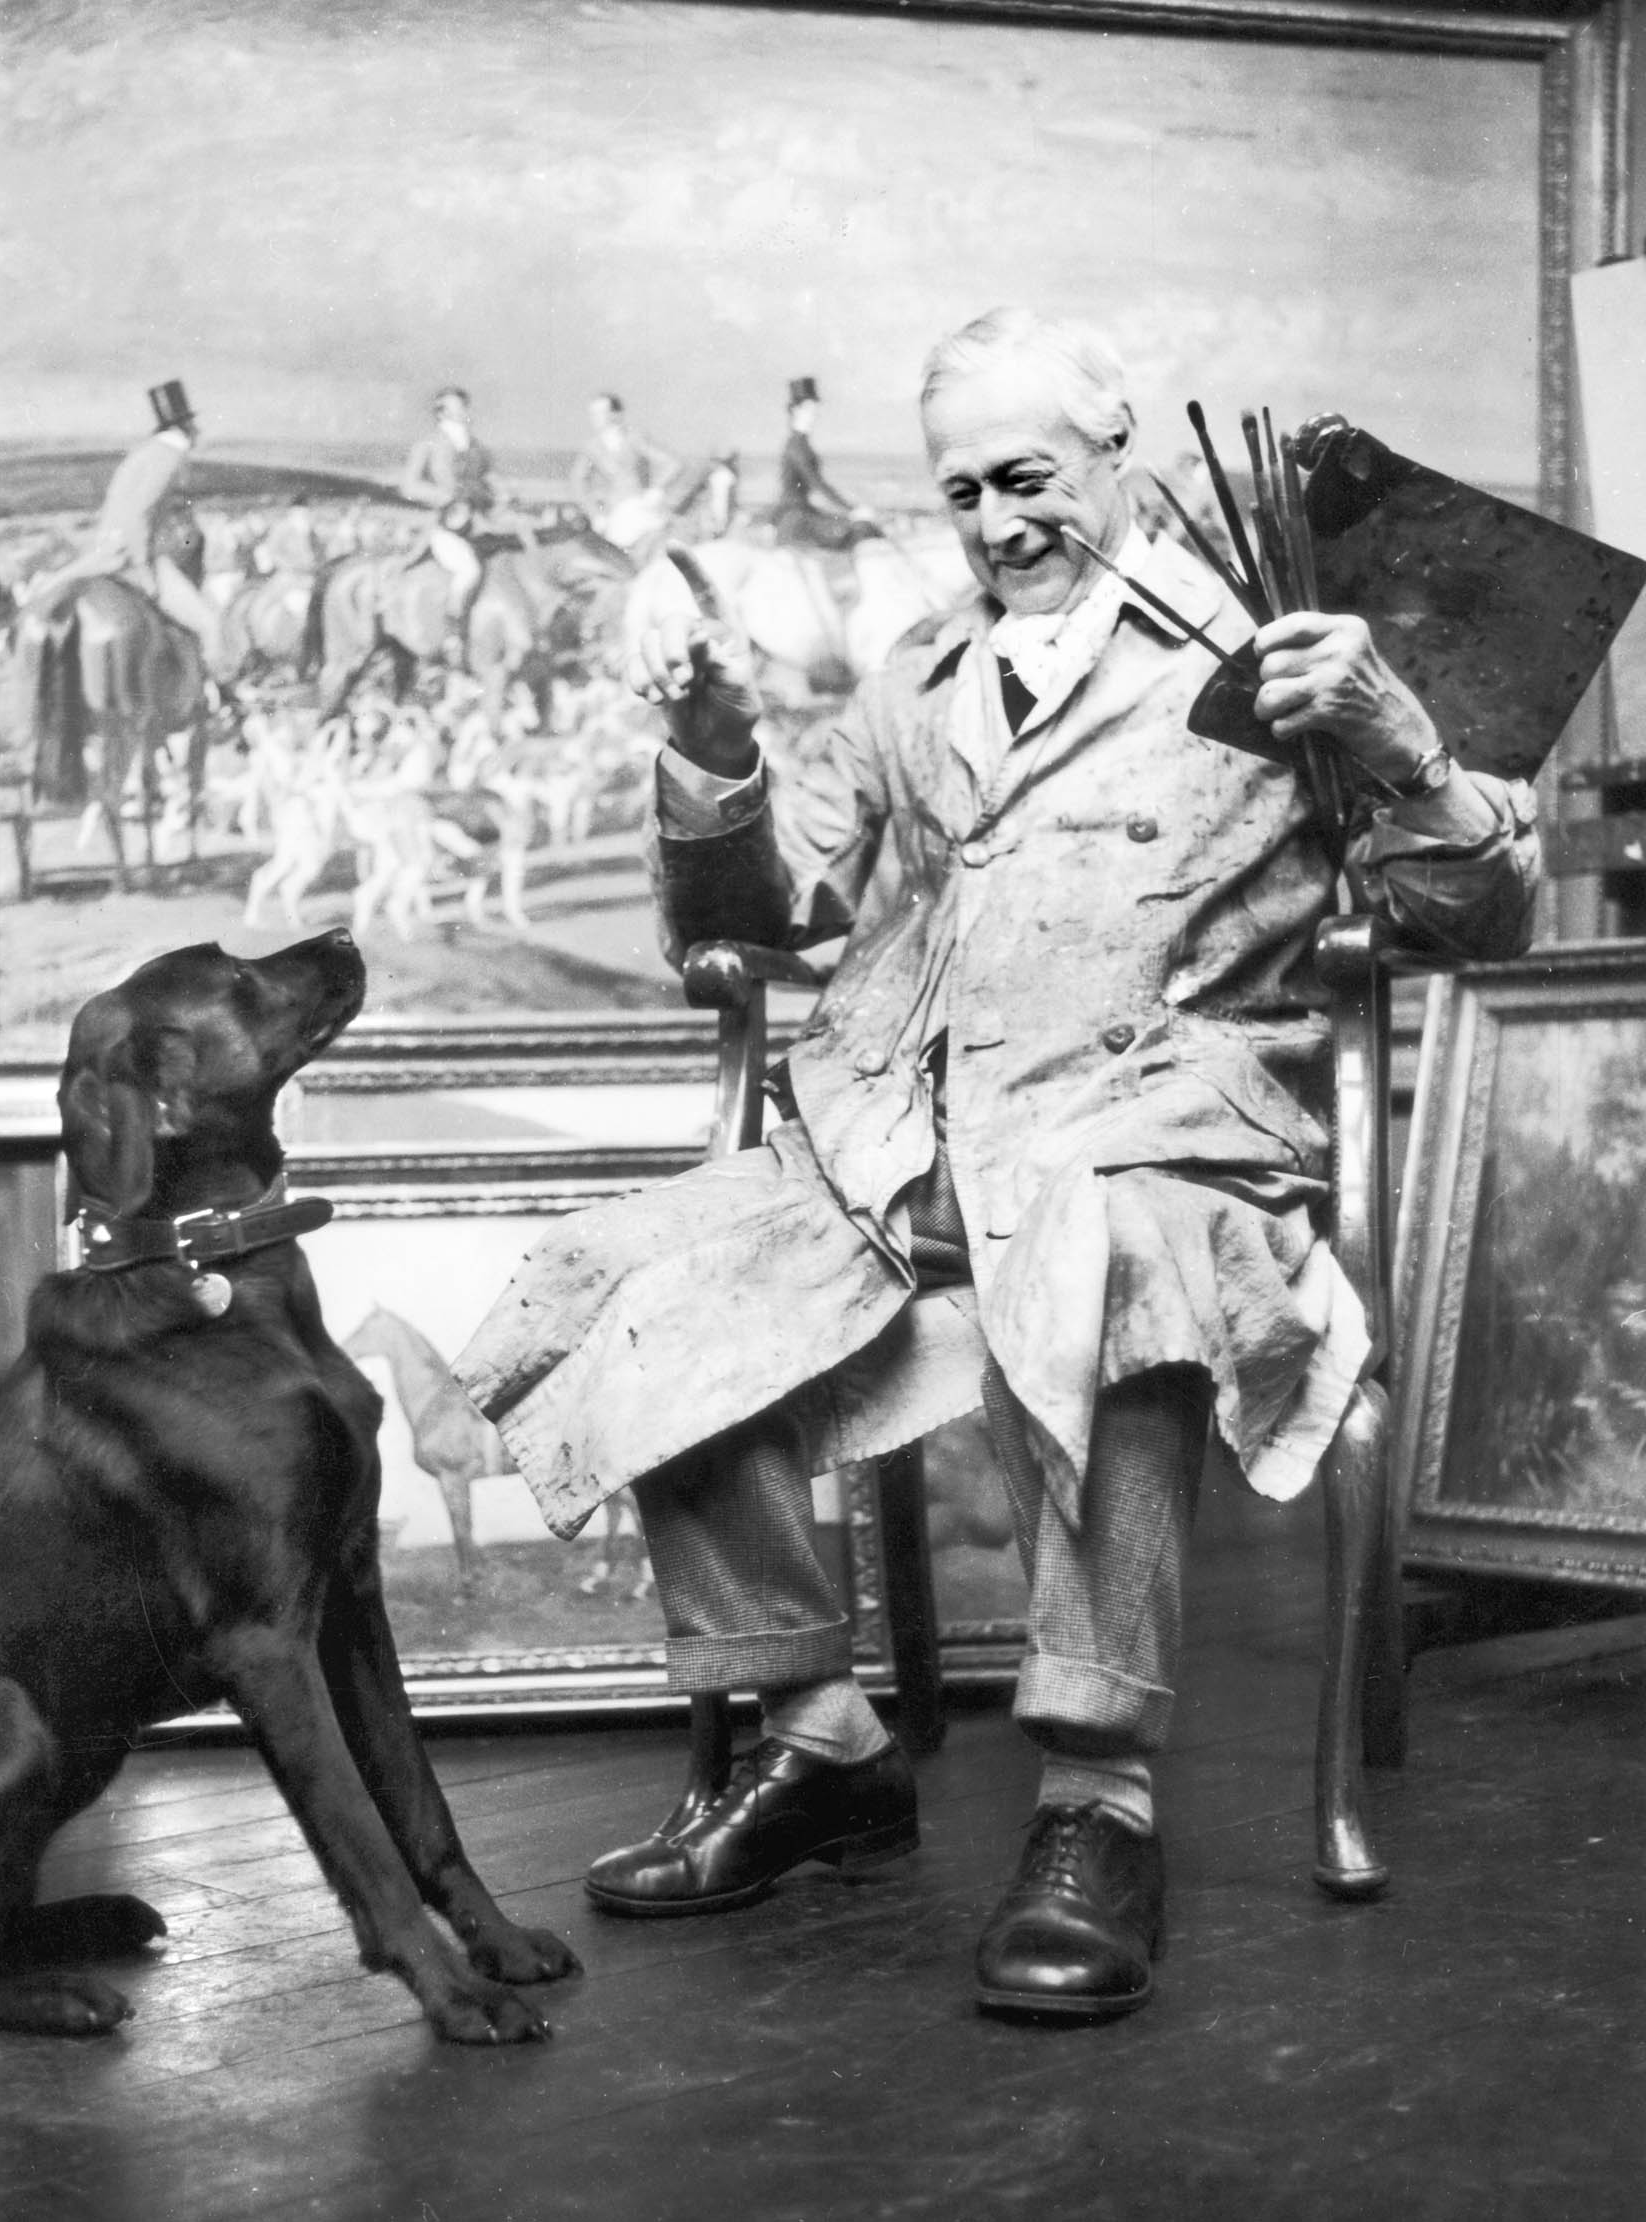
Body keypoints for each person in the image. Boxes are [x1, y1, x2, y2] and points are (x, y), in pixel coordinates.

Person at [453, 308, 1538, 2022]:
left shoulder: (1275, 649)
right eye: (962, 491)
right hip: (919, 1132)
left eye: (1028, 478)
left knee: (1107, 1259)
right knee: (642, 1269)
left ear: (1121, 453)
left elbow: (1483, 916)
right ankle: (823, 1738)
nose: (996, 523)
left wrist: (1398, 739)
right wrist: (714, 753)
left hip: (1160, 1127)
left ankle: (1097, 1799)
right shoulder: (914, 677)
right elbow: (764, 911)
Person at [39, 379, 232, 677]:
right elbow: (142, 513)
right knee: (210, 623)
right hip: (131, 555)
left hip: (106, 549)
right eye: (193, 425)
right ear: (184, 428)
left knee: (55, 583)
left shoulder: (144, 453)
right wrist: (143, 568)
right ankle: (217, 688)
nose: (198, 431)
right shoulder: (169, 458)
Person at [401, 386, 502, 662]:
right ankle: (453, 634)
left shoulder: (477, 447)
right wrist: (444, 497)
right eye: (455, 407)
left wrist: (501, 494)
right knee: (468, 570)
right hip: (445, 526)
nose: (462, 411)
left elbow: (488, 479)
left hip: (479, 524)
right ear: (441, 412)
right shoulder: (428, 446)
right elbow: (409, 485)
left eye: (464, 406)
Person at [770, 374, 880, 550]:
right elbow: (817, 483)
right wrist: (851, 510)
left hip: (801, 514)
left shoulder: (800, 443)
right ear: (796, 410)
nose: (814, 415)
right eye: (809, 409)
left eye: (815, 409)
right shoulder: (796, 446)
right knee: (862, 529)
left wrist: (850, 509)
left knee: (862, 529)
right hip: (796, 520)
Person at [570, 392, 681, 551]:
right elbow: (577, 482)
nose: (594, 418)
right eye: (593, 413)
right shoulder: (592, 448)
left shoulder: (635, 438)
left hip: (642, 506)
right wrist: (594, 513)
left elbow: (672, 463)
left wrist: (657, 488)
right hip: (614, 512)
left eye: (600, 413)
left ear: (616, 414)